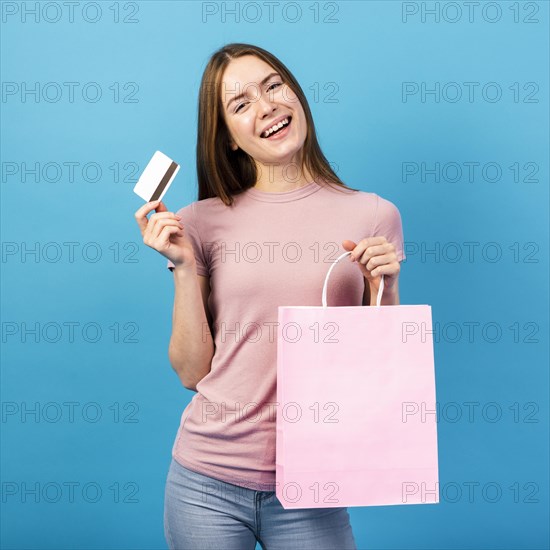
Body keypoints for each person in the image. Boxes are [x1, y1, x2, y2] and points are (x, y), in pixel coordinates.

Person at [134, 42, 406, 550]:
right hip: (205, 482)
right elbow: (192, 372)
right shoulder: (198, 223)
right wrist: (184, 266)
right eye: (240, 104)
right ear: (230, 139)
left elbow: (380, 369)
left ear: (296, 95)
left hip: (313, 482)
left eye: (273, 86)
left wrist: (384, 290)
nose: (266, 107)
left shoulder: (374, 216)